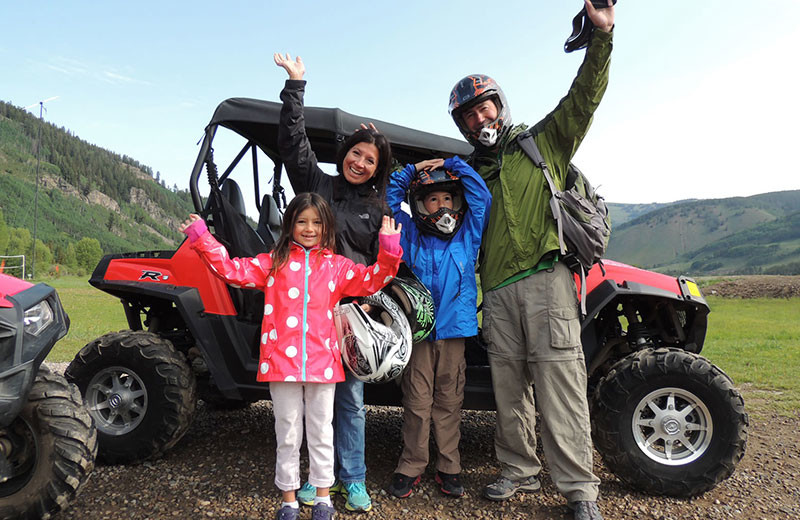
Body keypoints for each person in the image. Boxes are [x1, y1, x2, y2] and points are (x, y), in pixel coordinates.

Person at [445, 1, 615, 519]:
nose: (480, 118)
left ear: (500, 105)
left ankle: (579, 489)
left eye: (485, 106)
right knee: (509, 388)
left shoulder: (543, 144)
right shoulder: (468, 176)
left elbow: (583, 99)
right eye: (469, 115)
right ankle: (518, 469)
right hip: (495, 292)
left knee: (561, 383)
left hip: (547, 280)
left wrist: (602, 37)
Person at [179, 193, 403, 520]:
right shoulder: (274, 262)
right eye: (301, 221)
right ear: (290, 225)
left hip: (323, 365)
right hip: (281, 363)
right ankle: (289, 500)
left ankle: (323, 497)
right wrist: (202, 238)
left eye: (316, 222)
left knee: (321, 431)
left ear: (327, 227)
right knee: (287, 431)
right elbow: (231, 270)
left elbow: (374, 279)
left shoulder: (338, 267)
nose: (309, 228)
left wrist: (389, 246)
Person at [273, 52, 394, 513]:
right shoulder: (317, 185)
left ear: (377, 168)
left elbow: (380, 264)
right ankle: (315, 482)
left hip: (349, 315)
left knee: (349, 401)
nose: (360, 163)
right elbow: (292, 143)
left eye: (370, 159)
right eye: (356, 154)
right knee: (306, 405)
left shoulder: (379, 208)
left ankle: (353, 479)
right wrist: (296, 87)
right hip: (305, 312)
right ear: (344, 154)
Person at [384, 156, 491, 499]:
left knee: (449, 402)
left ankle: (449, 466)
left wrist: (454, 164)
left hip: (454, 334)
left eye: (447, 198)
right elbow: (386, 201)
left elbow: (482, 197)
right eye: (433, 199)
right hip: (418, 333)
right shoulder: (409, 233)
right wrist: (412, 171)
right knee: (417, 402)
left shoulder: (468, 234)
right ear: (419, 204)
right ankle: (411, 464)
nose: (442, 206)